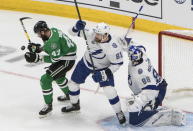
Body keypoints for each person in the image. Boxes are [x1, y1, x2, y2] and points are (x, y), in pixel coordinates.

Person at [59, 20, 126, 125]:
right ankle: (75, 105)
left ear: (105, 35)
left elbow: (117, 64)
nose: (96, 35)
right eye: (96, 33)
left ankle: (119, 112)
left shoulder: (114, 47)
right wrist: (76, 27)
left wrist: (104, 73)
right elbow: (71, 32)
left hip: (103, 68)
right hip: (86, 63)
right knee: (72, 84)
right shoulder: (91, 34)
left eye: (99, 34)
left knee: (110, 90)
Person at [119, 37, 185, 126]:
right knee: (134, 105)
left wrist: (140, 101)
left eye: (135, 59)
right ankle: (148, 106)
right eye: (132, 58)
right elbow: (137, 46)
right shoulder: (142, 54)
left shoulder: (141, 72)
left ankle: (168, 115)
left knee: (134, 117)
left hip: (156, 91)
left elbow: (151, 90)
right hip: (155, 86)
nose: (133, 61)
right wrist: (126, 41)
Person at [24, 21, 77, 118]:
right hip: (66, 56)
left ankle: (48, 106)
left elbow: (55, 58)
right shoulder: (53, 30)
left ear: (43, 32)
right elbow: (51, 45)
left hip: (66, 61)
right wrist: (39, 49)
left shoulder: (53, 43)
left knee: (45, 80)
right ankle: (69, 95)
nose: (39, 36)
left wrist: (38, 58)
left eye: (39, 34)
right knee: (59, 78)